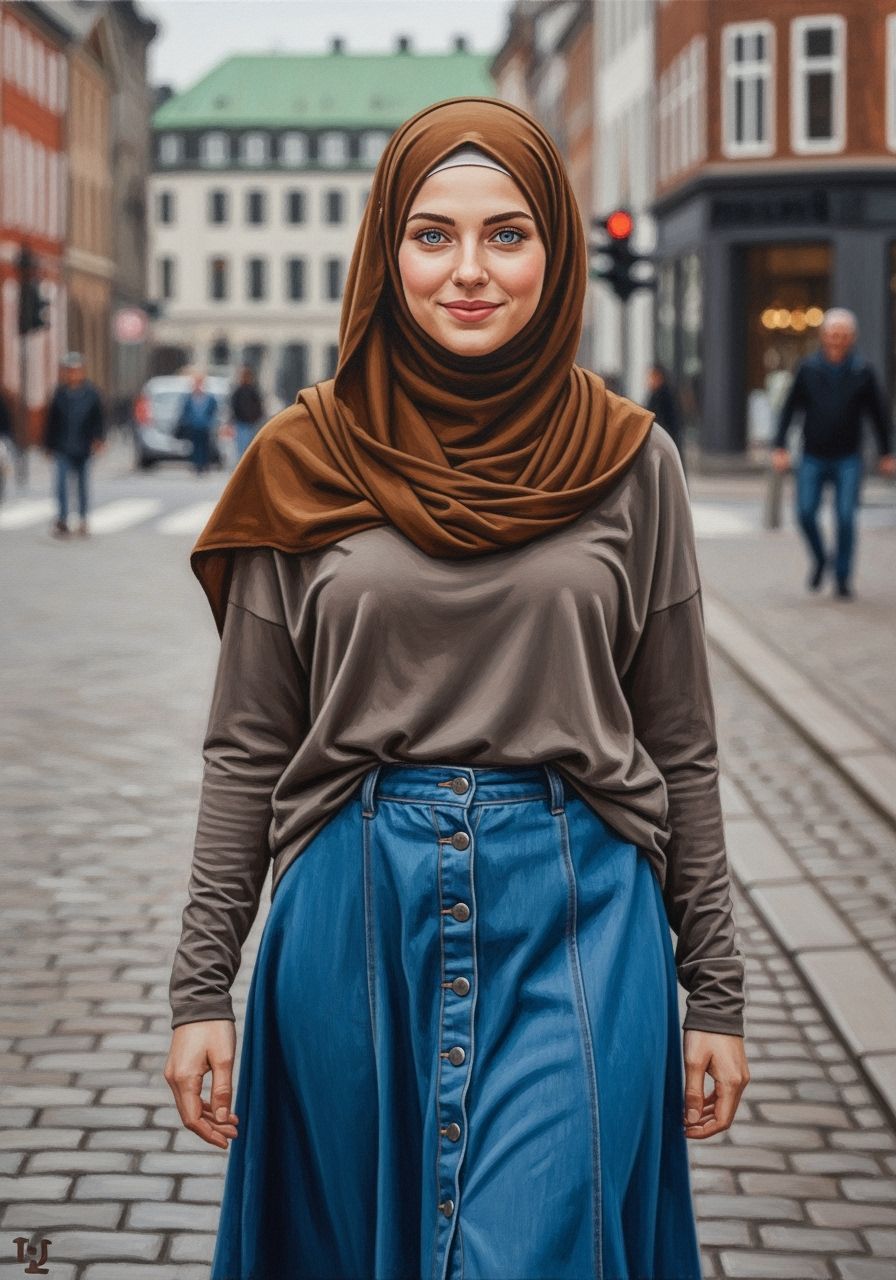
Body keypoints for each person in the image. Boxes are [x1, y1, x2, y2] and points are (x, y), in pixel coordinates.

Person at [164, 98, 750, 1280]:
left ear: (557, 253)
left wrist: (717, 993)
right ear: (386, 253)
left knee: (528, 1248)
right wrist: (200, 986)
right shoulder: (301, 455)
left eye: (507, 234)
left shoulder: (632, 459)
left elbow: (679, 740)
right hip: (351, 919)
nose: (468, 270)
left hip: (580, 911)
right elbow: (247, 742)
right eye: (431, 235)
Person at [772, 308, 896, 598]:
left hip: (848, 458)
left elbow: (878, 415)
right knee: (804, 512)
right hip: (812, 455)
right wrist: (779, 446)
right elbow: (789, 408)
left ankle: (842, 577)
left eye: (843, 335)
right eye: (832, 334)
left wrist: (886, 452)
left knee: (845, 518)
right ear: (823, 336)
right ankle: (820, 559)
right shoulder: (808, 369)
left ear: (851, 338)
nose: (837, 339)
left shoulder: (862, 371)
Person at [42, 352, 106, 537]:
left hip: (84, 447)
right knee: (61, 484)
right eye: (70, 371)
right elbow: (51, 421)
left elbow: (98, 419)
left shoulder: (92, 394)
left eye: (76, 371)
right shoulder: (59, 394)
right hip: (62, 446)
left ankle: (83, 519)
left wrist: (99, 439)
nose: (73, 374)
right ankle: (62, 519)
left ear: (82, 372)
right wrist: (48, 445)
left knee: (82, 485)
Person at [176, 370, 218, 475]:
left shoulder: (209, 398)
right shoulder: (189, 398)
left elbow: (213, 411)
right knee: (195, 447)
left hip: (205, 426)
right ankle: (196, 465)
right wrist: (188, 421)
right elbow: (185, 411)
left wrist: (210, 422)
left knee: (205, 446)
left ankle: (204, 465)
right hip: (193, 426)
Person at [645, 361, 684, 460]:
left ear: (659, 377)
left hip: (666, 440)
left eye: (652, 376)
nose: (649, 380)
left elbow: (670, 420)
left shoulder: (665, 395)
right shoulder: (656, 394)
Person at [229, 364, 265, 462]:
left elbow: (259, 406)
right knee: (242, 445)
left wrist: (256, 417)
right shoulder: (239, 391)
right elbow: (233, 405)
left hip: (249, 422)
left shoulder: (253, 390)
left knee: (246, 445)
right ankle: (243, 463)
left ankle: (245, 463)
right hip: (242, 422)